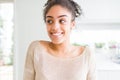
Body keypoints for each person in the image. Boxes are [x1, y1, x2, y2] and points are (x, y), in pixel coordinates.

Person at [23, 0, 96, 80]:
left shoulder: (87, 55)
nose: (55, 27)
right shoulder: (36, 49)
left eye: (62, 21)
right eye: (50, 21)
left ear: (72, 24)